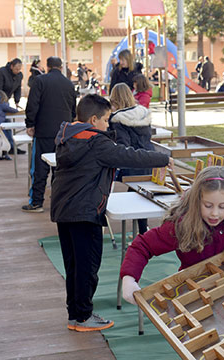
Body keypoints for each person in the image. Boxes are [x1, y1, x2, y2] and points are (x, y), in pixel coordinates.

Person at [50, 94, 172, 332]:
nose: (108, 125)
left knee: (74, 265)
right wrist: (164, 159)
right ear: (94, 119)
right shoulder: (96, 142)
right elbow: (129, 156)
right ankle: (83, 316)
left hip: (64, 210)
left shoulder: (67, 136)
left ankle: (76, 313)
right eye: (106, 120)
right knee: (88, 265)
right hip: (85, 211)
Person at [120, 166, 224, 304]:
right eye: (208, 205)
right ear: (197, 201)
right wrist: (129, 278)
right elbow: (142, 246)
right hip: (194, 288)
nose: (214, 213)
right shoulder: (181, 226)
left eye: (222, 206)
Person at [22, 56, 77, 213]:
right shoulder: (68, 83)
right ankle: (59, 202)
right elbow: (73, 108)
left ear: (47, 66)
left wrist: (30, 124)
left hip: (44, 132)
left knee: (39, 168)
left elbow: (32, 104)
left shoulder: (40, 81)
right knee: (60, 169)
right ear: (61, 67)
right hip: (64, 133)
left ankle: (37, 203)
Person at [109, 82, 153, 234]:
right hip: (148, 161)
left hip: (130, 164)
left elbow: (123, 147)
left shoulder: (117, 119)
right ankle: (143, 229)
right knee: (138, 194)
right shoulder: (144, 113)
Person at [0, 58, 23, 157]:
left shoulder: (19, 75)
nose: (18, 71)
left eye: (19, 69)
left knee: (4, 122)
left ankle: (10, 146)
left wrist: (17, 101)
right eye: (16, 69)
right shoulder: (1, 72)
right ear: (11, 66)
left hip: (4, 99)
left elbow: (18, 88)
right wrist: (3, 103)